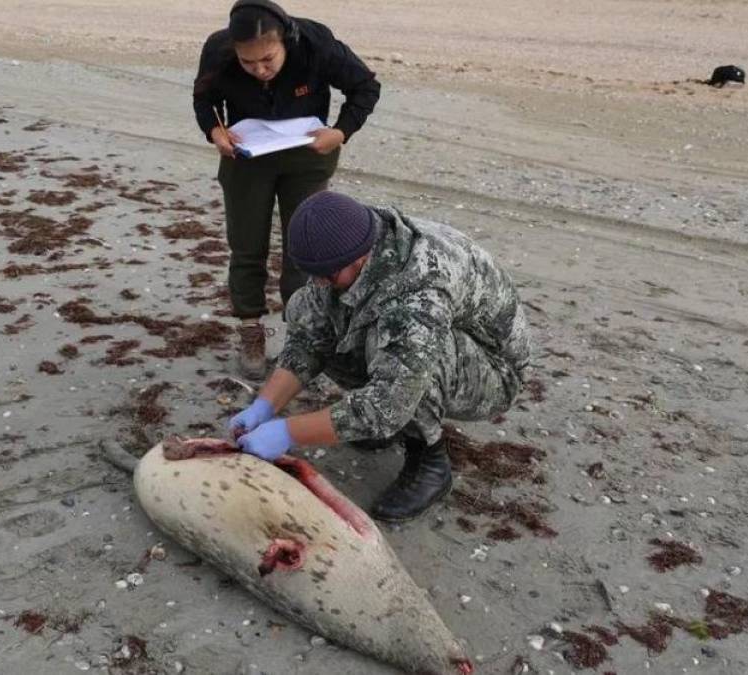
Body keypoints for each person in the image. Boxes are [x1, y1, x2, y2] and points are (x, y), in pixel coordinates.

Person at [226, 191, 534, 522]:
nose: (319, 281)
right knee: (310, 308)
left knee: (412, 354)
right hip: (425, 334)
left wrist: (286, 433)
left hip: (494, 371)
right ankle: (375, 428)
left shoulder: (418, 289)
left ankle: (428, 460)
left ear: (359, 258)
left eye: (326, 274)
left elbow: (390, 403)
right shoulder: (349, 243)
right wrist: (264, 406)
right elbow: (309, 340)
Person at [193, 0, 381, 379]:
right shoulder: (217, 49)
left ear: (286, 42)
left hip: (308, 155)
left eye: (268, 60)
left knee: (306, 252)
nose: (260, 70)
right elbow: (204, 99)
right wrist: (215, 131)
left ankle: (302, 338)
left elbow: (365, 86)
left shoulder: (315, 42)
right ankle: (250, 331)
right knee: (247, 247)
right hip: (245, 157)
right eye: (248, 63)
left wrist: (341, 132)